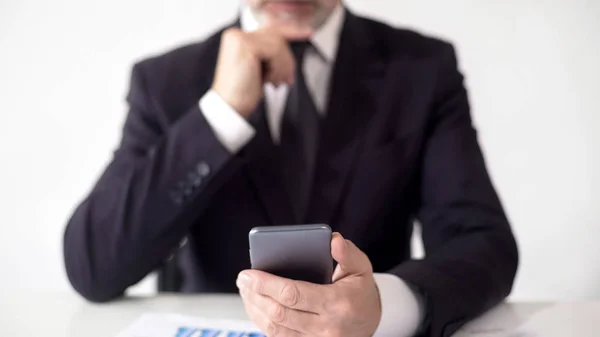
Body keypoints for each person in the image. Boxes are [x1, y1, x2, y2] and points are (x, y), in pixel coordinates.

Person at [63, 0, 519, 336]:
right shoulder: (166, 81)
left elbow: (483, 241)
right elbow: (93, 266)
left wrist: (385, 303)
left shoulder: (422, 68)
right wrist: (220, 113)